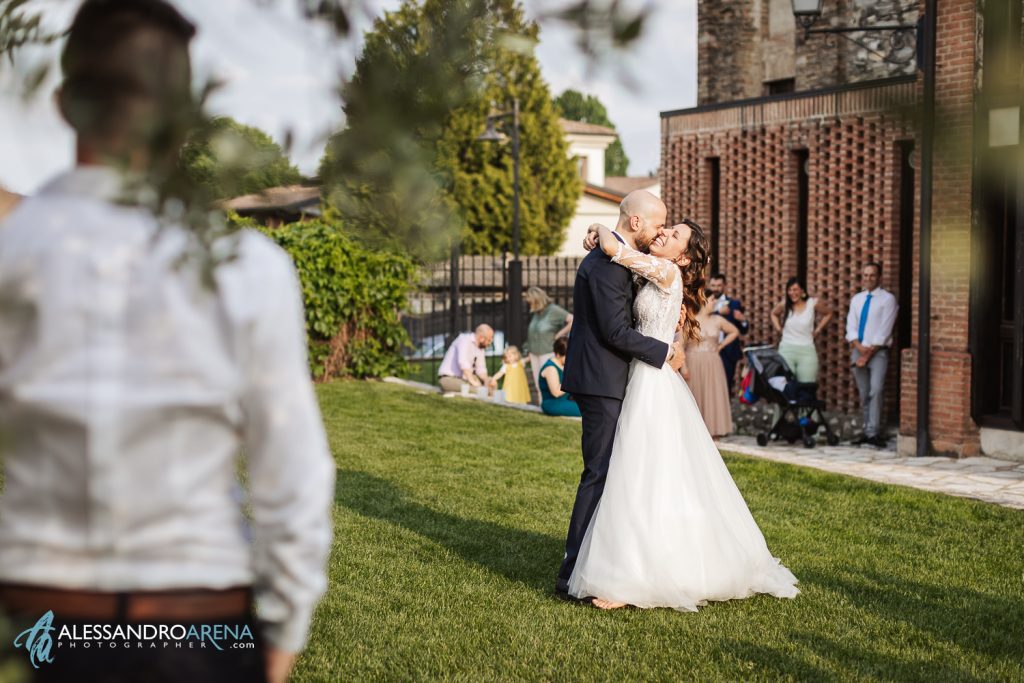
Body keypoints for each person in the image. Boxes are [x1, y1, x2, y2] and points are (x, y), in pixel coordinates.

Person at [0, 2, 335, 682]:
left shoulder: (12, 252)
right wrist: (284, 630)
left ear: (64, 104)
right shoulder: (247, 267)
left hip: (35, 626)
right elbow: (292, 473)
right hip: (197, 625)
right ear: (184, 115)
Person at [567, 220, 798, 611]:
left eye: (673, 236)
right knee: (633, 473)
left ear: (684, 257)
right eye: (666, 229)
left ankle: (634, 577)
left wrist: (600, 229)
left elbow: (616, 249)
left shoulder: (667, 270)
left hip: (653, 384)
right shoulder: (653, 270)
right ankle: (626, 569)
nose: (663, 235)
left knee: (646, 472)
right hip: (640, 376)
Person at [555, 190, 686, 600]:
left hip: (618, 379)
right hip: (603, 381)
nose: (660, 231)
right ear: (636, 223)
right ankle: (573, 571)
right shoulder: (609, 267)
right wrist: (664, 352)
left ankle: (602, 563)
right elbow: (615, 332)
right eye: (658, 224)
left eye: (668, 229)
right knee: (599, 474)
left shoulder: (615, 257)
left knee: (617, 474)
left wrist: (598, 231)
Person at [845, 262, 898, 448]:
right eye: (865, 275)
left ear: (880, 278)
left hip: (878, 353)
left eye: (872, 275)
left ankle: (874, 432)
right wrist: (858, 347)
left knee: (876, 390)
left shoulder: (888, 299)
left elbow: (884, 331)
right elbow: (850, 326)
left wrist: (866, 355)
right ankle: (867, 431)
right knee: (864, 392)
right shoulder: (857, 299)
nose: (868, 278)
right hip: (858, 351)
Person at [681, 291, 739, 438]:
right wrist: (684, 366)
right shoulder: (691, 319)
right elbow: (680, 344)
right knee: (695, 395)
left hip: (713, 362)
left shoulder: (718, 319)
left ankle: (713, 432)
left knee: (712, 395)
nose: (715, 303)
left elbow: (734, 331)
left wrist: (721, 346)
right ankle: (694, 432)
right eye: (713, 300)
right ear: (703, 300)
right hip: (693, 361)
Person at [770, 277, 834, 383]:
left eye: (795, 289)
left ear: (802, 291)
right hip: (786, 349)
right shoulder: (785, 304)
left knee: (807, 386)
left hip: (807, 350)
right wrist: (778, 329)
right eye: (789, 290)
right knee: (786, 385)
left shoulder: (812, 303)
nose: (792, 293)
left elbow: (828, 313)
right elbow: (773, 314)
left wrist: (817, 330)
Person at [525, 286, 573, 403]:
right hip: (534, 353)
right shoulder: (537, 313)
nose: (529, 305)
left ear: (537, 300)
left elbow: (573, 319)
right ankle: (543, 405)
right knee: (538, 383)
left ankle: (552, 405)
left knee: (549, 383)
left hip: (547, 351)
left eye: (531, 302)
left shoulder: (553, 310)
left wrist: (558, 335)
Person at [707, 273, 748, 392]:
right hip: (709, 349)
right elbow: (701, 319)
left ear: (724, 286)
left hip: (728, 352)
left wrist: (743, 321)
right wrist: (719, 312)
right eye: (713, 285)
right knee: (710, 386)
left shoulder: (734, 304)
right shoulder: (704, 303)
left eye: (719, 285)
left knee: (726, 386)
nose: (716, 288)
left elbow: (743, 330)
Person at [438, 324, 493, 393]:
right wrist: (473, 382)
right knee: (476, 390)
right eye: (489, 340)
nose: (490, 343)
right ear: (481, 338)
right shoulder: (464, 340)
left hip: (464, 379)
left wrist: (487, 380)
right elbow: (463, 363)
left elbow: (481, 369)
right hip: (449, 378)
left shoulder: (480, 348)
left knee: (489, 387)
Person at [538, 337, 580, 417]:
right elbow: (556, 392)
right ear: (557, 354)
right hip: (552, 403)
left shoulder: (563, 365)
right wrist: (573, 379)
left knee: (591, 405)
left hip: (565, 400)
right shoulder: (551, 368)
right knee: (587, 410)